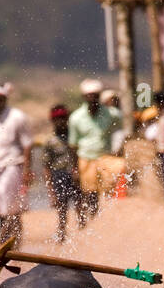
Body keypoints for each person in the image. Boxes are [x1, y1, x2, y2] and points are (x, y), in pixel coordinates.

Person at [0, 83, 33, 247]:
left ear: (4, 99)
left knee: (13, 209)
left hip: (12, 167)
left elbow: (27, 145)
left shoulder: (17, 116)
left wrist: (26, 170)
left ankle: (16, 244)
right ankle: (2, 244)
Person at [68, 79, 125, 224]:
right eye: (89, 96)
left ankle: (108, 217)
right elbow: (73, 145)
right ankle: (92, 218)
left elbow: (121, 130)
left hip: (105, 157)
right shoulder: (76, 118)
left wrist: (120, 148)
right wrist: (74, 167)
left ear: (100, 96)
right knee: (90, 192)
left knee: (118, 176)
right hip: (85, 158)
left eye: (95, 96)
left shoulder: (111, 114)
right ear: (84, 97)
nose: (92, 99)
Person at [43, 105, 80, 243]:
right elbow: (46, 167)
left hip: (75, 174)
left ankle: (82, 230)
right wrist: (51, 191)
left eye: (63, 118)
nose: (60, 122)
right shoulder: (50, 142)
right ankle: (62, 234)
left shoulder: (74, 137)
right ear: (52, 121)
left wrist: (77, 170)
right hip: (59, 176)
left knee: (79, 204)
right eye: (57, 119)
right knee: (62, 208)